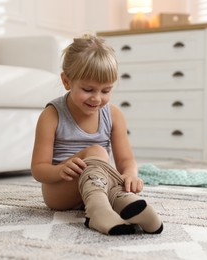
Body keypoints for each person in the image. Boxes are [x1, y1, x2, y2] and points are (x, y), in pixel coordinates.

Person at [31, 34, 163, 236]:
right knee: (97, 151)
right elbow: (38, 169)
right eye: (88, 89)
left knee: (113, 177)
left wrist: (130, 175)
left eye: (106, 90)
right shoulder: (51, 115)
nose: (97, 98)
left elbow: (126, 159)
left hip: (100, 184)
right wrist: (60, 170)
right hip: (61, 191)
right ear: (67, 81)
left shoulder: (114, 115)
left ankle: (128, 205)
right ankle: (98, 212)